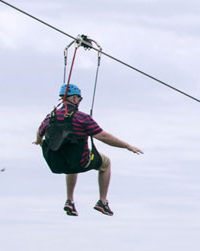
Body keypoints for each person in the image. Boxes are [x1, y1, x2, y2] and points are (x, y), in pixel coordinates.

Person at [35, 83, 143, 216]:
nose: (79, 101)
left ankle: (69, 200)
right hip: (80, 161)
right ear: (74, 99)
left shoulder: (50, 117)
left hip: (57, 164)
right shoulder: (82, 118)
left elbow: (39, 134)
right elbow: (103, 136)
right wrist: (127, 146)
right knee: (105, 163)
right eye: (79, 99)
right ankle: (102, 202)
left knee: (70, 158)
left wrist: (39, 142)